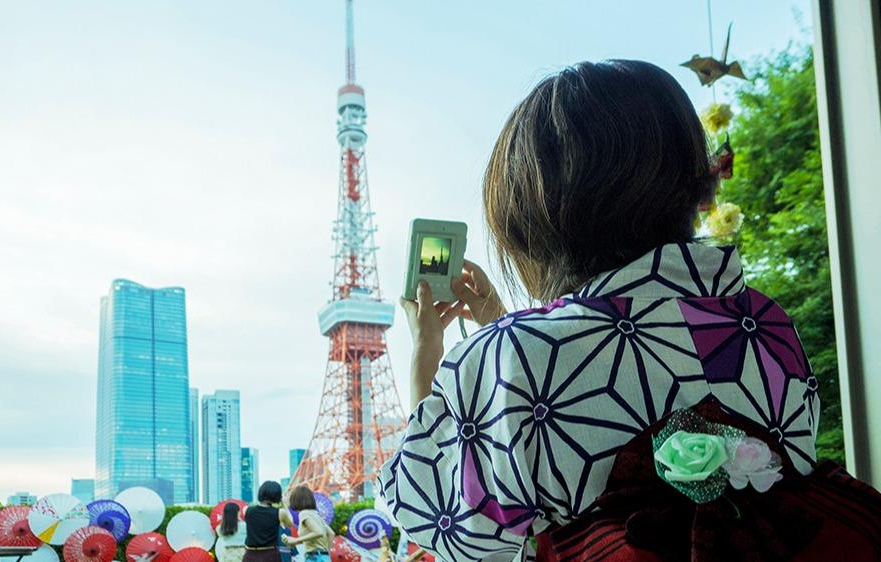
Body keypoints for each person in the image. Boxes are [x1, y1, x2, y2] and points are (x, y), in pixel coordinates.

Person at [380, 60, 881, 561]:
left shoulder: (509, 359)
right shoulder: (766, 326)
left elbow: (447, 529)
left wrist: (431, 355)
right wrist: (508, 337)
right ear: (694, 182)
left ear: (530, 211)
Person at [243, 481, 294, 562]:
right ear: (277, 495)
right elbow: (290, 524)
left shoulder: (247, 510)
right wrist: (284, 504)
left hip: (250, 554)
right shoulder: (279, 513)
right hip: (270, 554)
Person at [281, 485, 334, 562]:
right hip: (324, 558)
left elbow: (318, 532)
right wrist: (326, 553)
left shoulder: (304, 514)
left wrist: (296, 540)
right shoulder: (316, 514)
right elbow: (331, 533)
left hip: (313, 557)